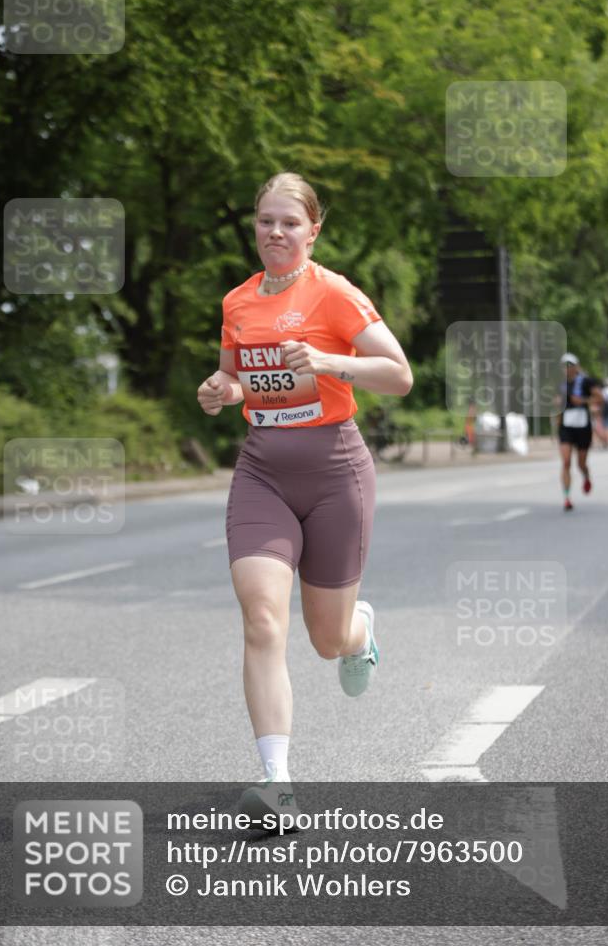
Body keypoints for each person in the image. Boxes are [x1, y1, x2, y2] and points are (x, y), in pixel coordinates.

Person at [196, 172, 413, 819]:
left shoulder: (334, 295)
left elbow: (398, 375)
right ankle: (275, 781)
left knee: (325, 639)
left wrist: (326, 362)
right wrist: (221, 391)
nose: (275, 232)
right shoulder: (238, 302)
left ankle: (359, 631)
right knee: (263, 619)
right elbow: (237, 379)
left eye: (289, 222)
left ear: (312, 231)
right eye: (266, 220)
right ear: (254, 227)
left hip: (333, 472)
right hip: (261, 469)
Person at [556, 353, 603, 512]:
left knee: (580, 463)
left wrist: (583, 401)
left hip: (583, 426)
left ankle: (586, 477)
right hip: (566, 427)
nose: (567, 369)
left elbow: (600, 399)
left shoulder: (586, 382)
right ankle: (567, 498)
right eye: (564, 365)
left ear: (576, 367)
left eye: (570, 365)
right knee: (566, 461)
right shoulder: (560, 385)